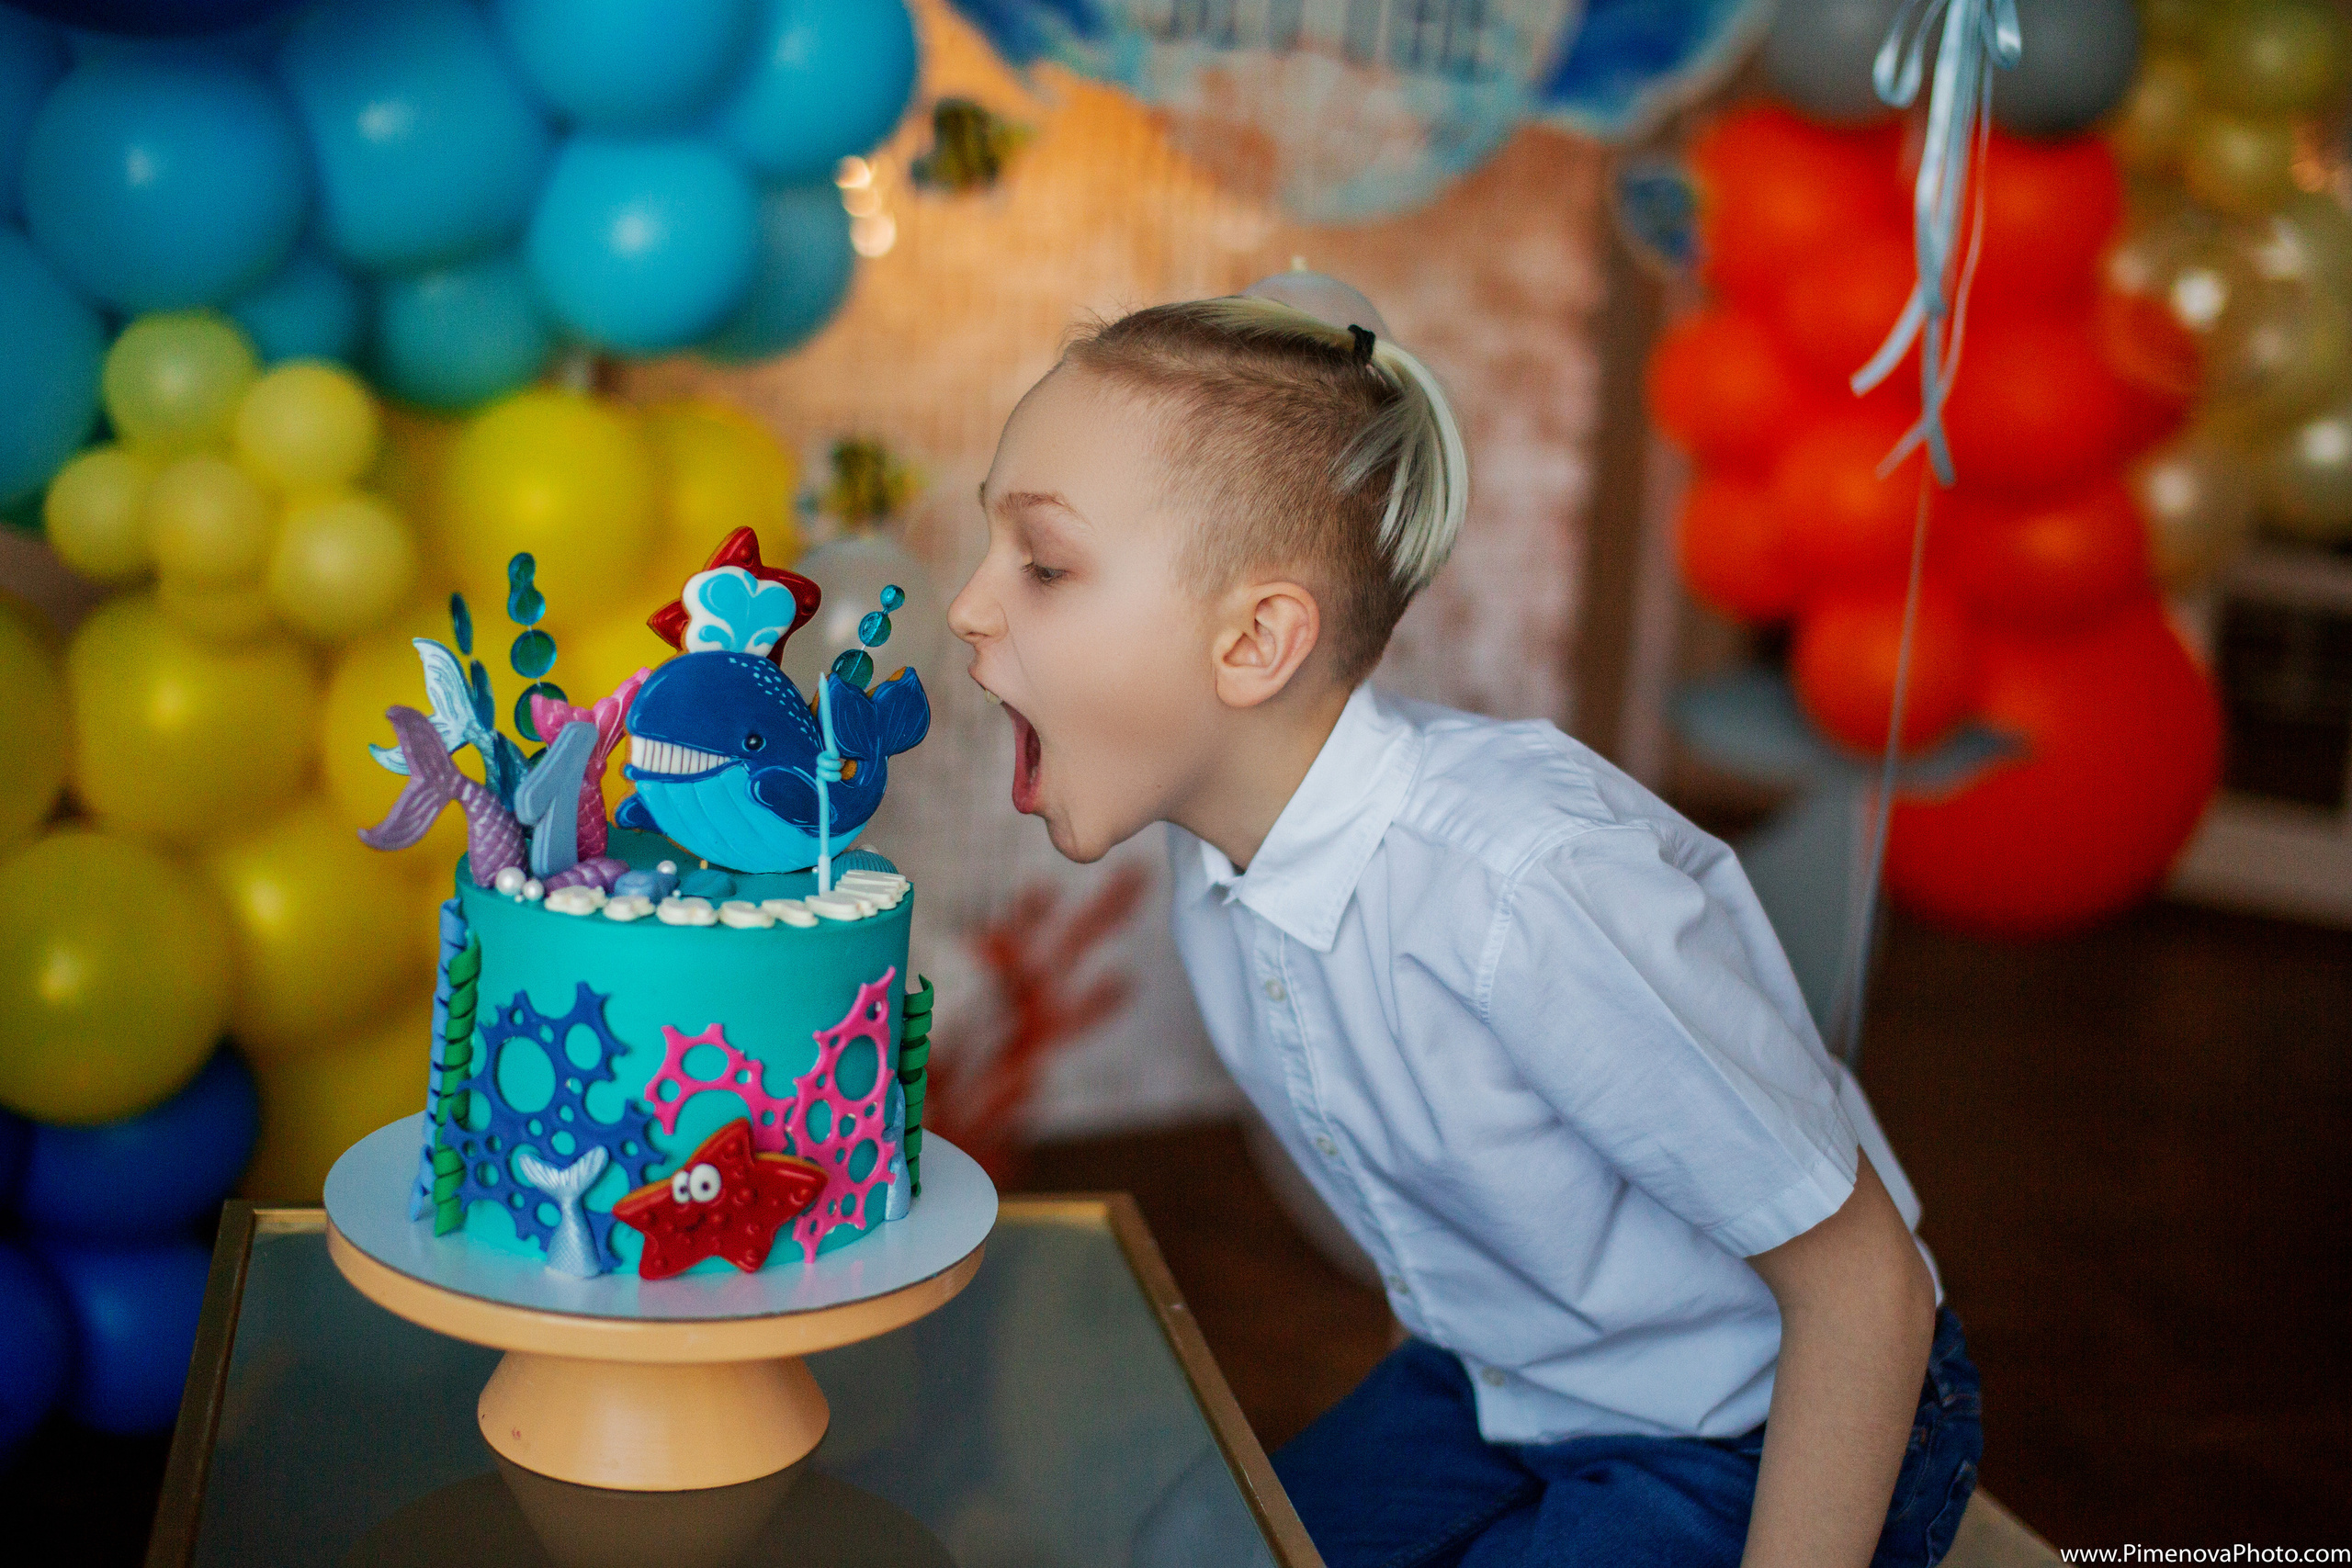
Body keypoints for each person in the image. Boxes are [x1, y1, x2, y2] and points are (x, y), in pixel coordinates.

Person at [946, 269, 1981, 1568]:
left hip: (1760, 1418)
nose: (970, 607)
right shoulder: (1216, 875)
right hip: (1502, 1383)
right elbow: (1436, 1200)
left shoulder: (1524, 894)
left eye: (1041, 563)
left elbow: (1864, 1289)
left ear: (1257, 643)